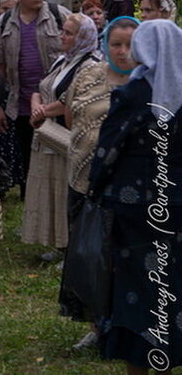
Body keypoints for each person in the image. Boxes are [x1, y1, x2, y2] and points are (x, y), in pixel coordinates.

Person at [88, 20, 182, 372]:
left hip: (135, 207)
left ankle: (139, 366)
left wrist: (95, 190)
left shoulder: (134, 92)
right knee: (173, 282)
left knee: (137, 287)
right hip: (177, 204)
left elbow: (108, 149)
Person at [57, 16, 138, 348]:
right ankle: (95, 324)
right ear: (105, 43)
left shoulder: (149, 82)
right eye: (116, 44)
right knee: (88, 255)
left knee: (120, 257)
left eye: (130, 45)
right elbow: (69, 115)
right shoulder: (89, 73)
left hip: (126, 187)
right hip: (82, 177)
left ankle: (123, 324)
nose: (122, 52)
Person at [23, 13, 99, 254]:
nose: (62, 36)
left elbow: (70, 99)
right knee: (49, 189)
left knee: (64, 190)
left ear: (83, 37)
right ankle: (55, 241)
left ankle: (70, 244)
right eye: (62, 31)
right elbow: (43, 86)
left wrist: (43, 110)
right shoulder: (62, 60)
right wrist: (36, 105)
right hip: (47, 131)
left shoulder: (90, 65)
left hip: (64, 134)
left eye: (68, 33)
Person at [0, 0, 65, 197]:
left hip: (56, 104)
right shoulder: (4, 23)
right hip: (20, 105)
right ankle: (30, 208)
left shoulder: (58, 15)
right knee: (28, 161)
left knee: (56, 160)